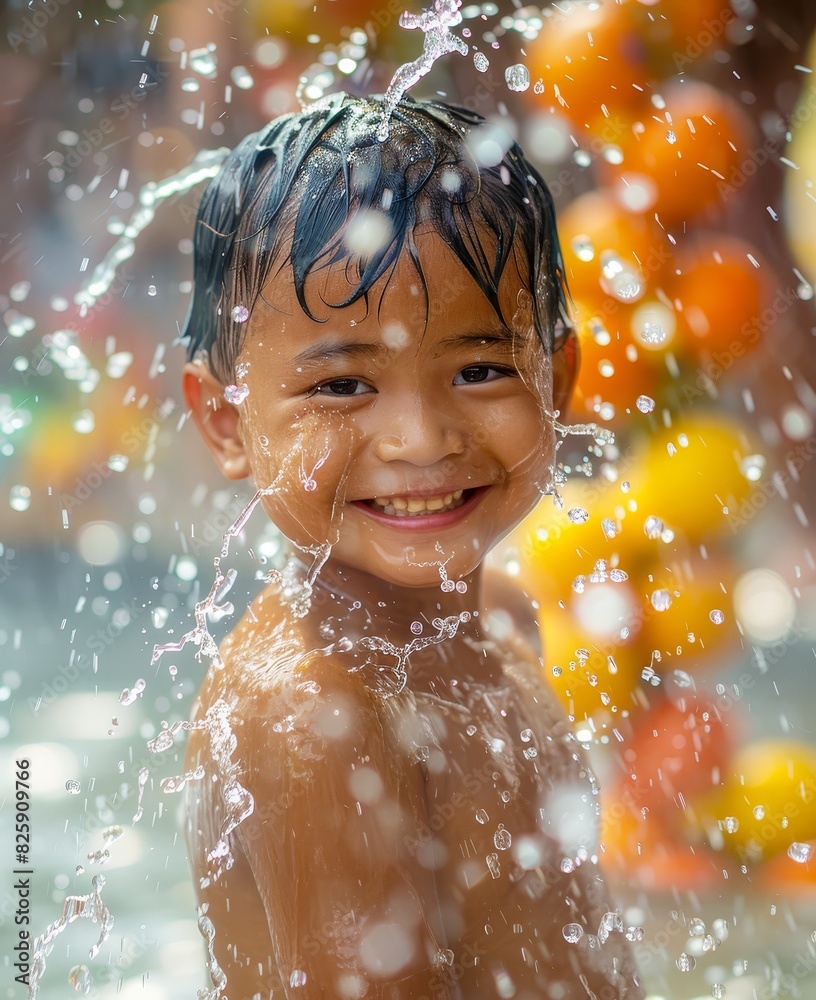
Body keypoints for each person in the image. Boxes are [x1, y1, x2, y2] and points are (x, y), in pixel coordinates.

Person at [181, 92, 644, 1000]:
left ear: (558, 379)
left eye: (480, 370)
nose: (421, 440)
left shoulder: (502, 618)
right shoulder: (314, 716)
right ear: (227, 422)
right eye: (343, 386)